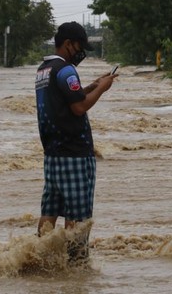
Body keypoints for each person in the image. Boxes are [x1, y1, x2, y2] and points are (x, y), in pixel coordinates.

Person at [34, 21, 117, 262]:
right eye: (79, 47)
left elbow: (69, 97)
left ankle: (38, 260)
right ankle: (76, 266)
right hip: (75, 156)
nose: (81, 53)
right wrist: (101, 90)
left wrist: (94, 85)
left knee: (49, 213)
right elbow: (79, 106)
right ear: (69, 44)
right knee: (78, 216)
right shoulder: (66, 70)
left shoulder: (44, 69)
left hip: (52, 156)